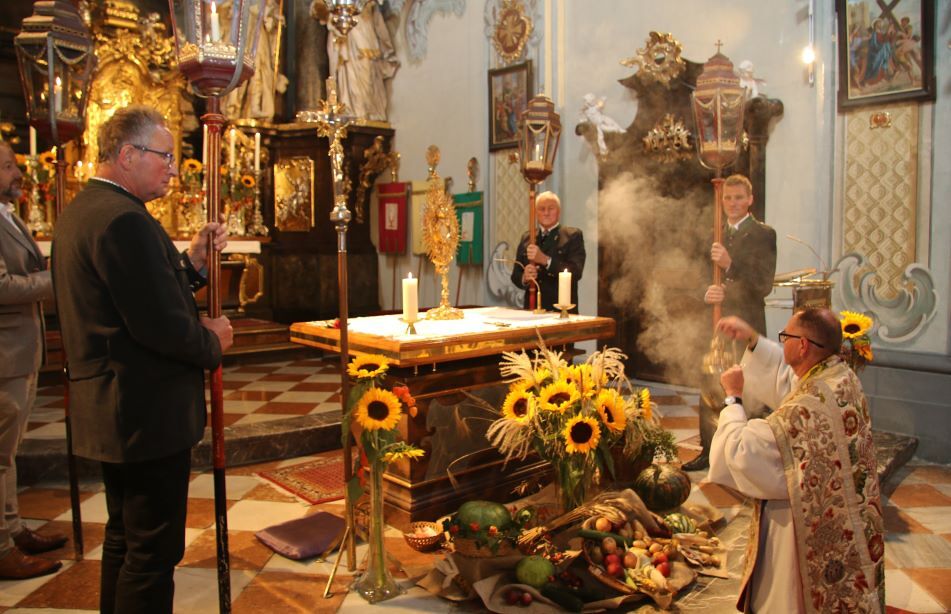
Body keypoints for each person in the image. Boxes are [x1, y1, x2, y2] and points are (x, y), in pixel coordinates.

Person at [51, 106, 233, 613]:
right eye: (165, 156)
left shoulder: (88, 209)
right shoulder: (124, 220)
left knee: (125, 538)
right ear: (128, 155)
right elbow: (159, 326)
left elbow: (140, 295)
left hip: (116, 407)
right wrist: (213, 343)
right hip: (142, 411)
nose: (173, 168)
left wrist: (194, 262)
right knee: (152, 552)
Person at [709, 310, 884, 613]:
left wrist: (733, 399)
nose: (782, 342)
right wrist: (752, 340)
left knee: (790, 596)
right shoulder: (839, 377)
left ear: (802, 345)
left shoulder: (804, 408)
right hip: (845, 523)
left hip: (802, 530)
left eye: (785, 336)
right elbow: (791, 380)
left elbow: (739, 452)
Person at [0, 141, 69, 579]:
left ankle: (12, 527)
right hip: (3, 354)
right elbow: (2, 286)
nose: (17, 172)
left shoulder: (9, 214)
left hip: (19, 351)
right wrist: (55, 278)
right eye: (7, 166)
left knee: (9, 452)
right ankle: (1, 548)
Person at [683, 174, 776, 471]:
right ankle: (709, 449)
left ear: (750, 200)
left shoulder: (763, 234)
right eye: (727, 198)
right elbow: (698, 276)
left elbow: (763, 283)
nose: (732, 203)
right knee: (711, 381)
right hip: (715, 321)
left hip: (746, 321)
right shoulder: (715, 233)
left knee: (747, 383)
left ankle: (749, 456)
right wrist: (705, 292)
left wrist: (730, 266)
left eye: (738, 197)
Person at [317, 0, 399, 121]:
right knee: (346, 70)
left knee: (367, 71)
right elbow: (319, 8)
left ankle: (365, 113)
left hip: (363, 28)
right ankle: (350, 110)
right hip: (343, 31)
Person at [510, 191, 586, 313]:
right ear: (536, 213)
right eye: (542, 209)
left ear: (559, 211)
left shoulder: (572, 236)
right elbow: (515, 275)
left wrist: (545, 260)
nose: (546, 213)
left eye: (551, 208)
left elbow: (576, 272)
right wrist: (525, 277)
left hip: (560, 311)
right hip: (531, 309)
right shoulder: (527, 237)